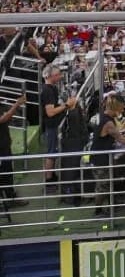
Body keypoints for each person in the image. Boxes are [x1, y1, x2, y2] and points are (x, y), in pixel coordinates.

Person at [40, 64, 78, 192]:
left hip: (53, 125)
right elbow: (50, 112)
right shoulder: (48, 91)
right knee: (51, 153)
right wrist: (66, 105)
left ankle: (51, 176)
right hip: (51, 126)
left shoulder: (50, 88)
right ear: (51, 76)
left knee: (53, 152)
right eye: (57, 75)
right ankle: (49, 181)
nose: (60, 77)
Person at [0, 93, 29, 207]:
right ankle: (9, 199)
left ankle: (10, 197)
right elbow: (3, 119)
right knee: (5, 173)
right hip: (1, 149)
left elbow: (5, 120)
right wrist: (17, 104)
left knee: (7, 173)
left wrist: (8, 137)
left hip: (4, 145)